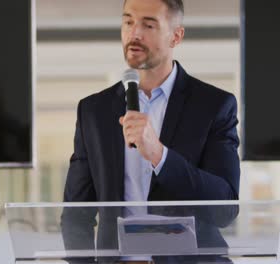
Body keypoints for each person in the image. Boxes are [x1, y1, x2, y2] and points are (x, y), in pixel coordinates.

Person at [62, 0, 240, 263]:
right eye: (128, 21)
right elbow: (76, 215)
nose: (134, 33)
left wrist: (160, 155)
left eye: (148, 24)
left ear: (176, 36)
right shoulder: (93, 111)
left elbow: (224, 209)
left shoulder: (213, 106)